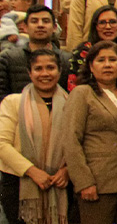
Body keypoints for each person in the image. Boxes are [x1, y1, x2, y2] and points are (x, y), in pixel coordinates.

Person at [63, 41, 117, 224]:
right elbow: (71, 140)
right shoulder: (83, 93)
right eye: (101, 60)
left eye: (113, 59)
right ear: (90, 66)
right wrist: (84, 182)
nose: (107, 64)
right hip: (98, 183)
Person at [0, 49, 72, 224]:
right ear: (29, 73)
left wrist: (67, 170)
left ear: (59, 71)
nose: (45, 73)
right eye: (38, 68)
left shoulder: (72, 102)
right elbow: (2, 144)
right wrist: (33, 172)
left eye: (50, 67)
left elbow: (79, 143)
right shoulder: (13, 102)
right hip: (19, 183)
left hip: (61, 183)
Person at [0, 5, 73, 99]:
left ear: (54, 27)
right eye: (34, 21)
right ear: (25, 27)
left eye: (45, 21)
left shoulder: (68, 60)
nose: (40, 25)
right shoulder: (8, 58)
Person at [68, 6, 117, 90]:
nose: (108, 27)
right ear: (95, 27)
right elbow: (73, 85)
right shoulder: (83, 51)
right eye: (102, 22)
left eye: (113, 22)